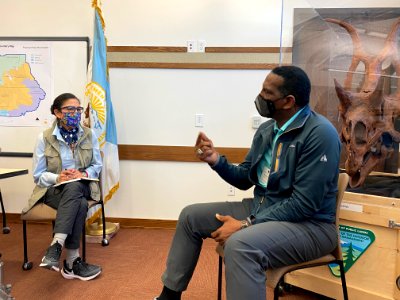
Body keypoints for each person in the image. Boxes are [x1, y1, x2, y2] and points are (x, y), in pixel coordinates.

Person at [155, 66, 341, 300]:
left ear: (288, 101)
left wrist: (246, 224)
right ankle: (168, 297)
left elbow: (304, 204)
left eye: (267, 93)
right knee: (190, 216)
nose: (260, 97)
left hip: (310, 226)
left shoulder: (320, 134)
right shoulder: (267, 130)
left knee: (240, 245)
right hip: (262, 207)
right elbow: (245, 179)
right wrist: (215, 160)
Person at [23, 93, 102, 281]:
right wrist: (58, 177)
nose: (75, 113)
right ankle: (71, 263)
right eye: (70, 109)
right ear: (57, 112)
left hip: (83, 185)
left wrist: (82, 174)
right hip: (54, 190)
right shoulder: (44, 138)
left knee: (75, 187)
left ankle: (55, 247)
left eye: (78, 109)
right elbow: (38, 175)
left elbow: (97, 166)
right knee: (80, 204)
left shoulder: (89, 135)